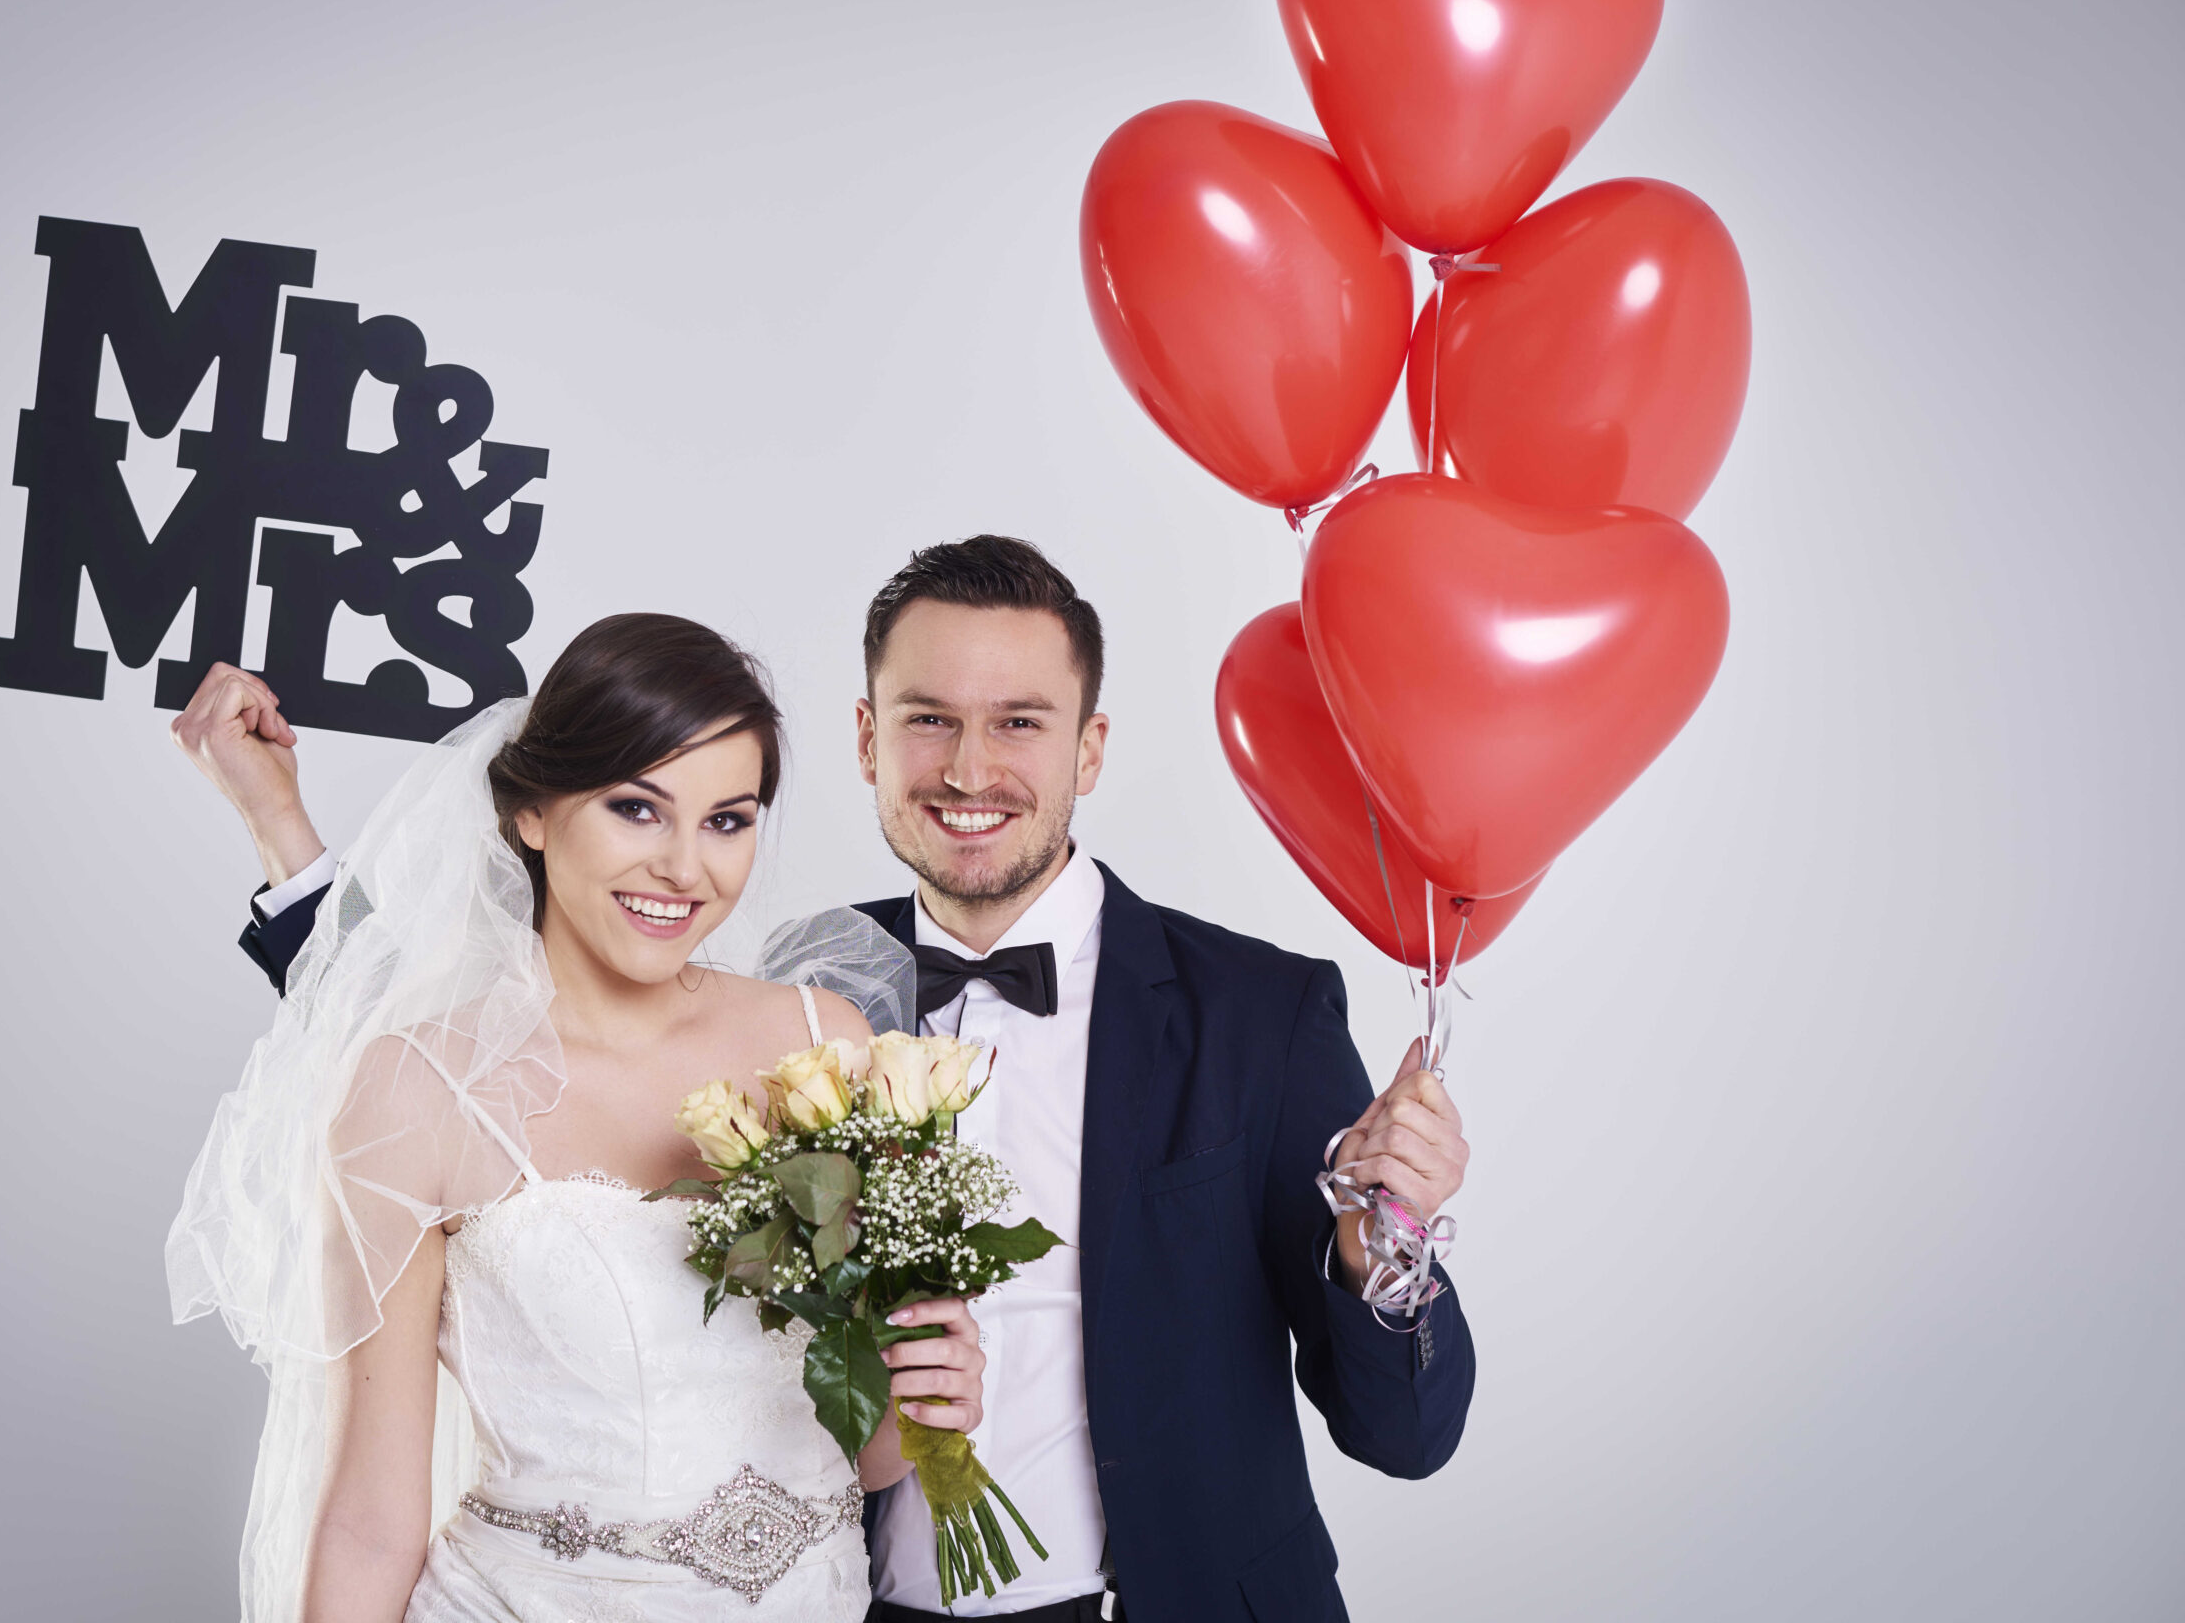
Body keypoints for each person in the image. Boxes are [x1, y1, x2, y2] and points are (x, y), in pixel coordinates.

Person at [184, 538, 1478, 1623]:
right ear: (868, 741)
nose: (971, 770)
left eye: (1020, 723)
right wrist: (287, 841)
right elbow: (496, 1032)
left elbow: (1406, 1437)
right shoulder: (813, 989)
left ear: (1089, 749)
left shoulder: (1259, 1009)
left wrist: (1385, 1253)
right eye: (928, 721)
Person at [167, 614, 988, 1623]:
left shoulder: (827, 1046)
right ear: (533, 814)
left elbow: (866, 1459)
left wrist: (928, 1395)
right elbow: (371, 1516)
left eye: (727, 819)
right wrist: (275, 819)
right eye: (638, 808)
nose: (686, 867)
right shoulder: (414, 1088)